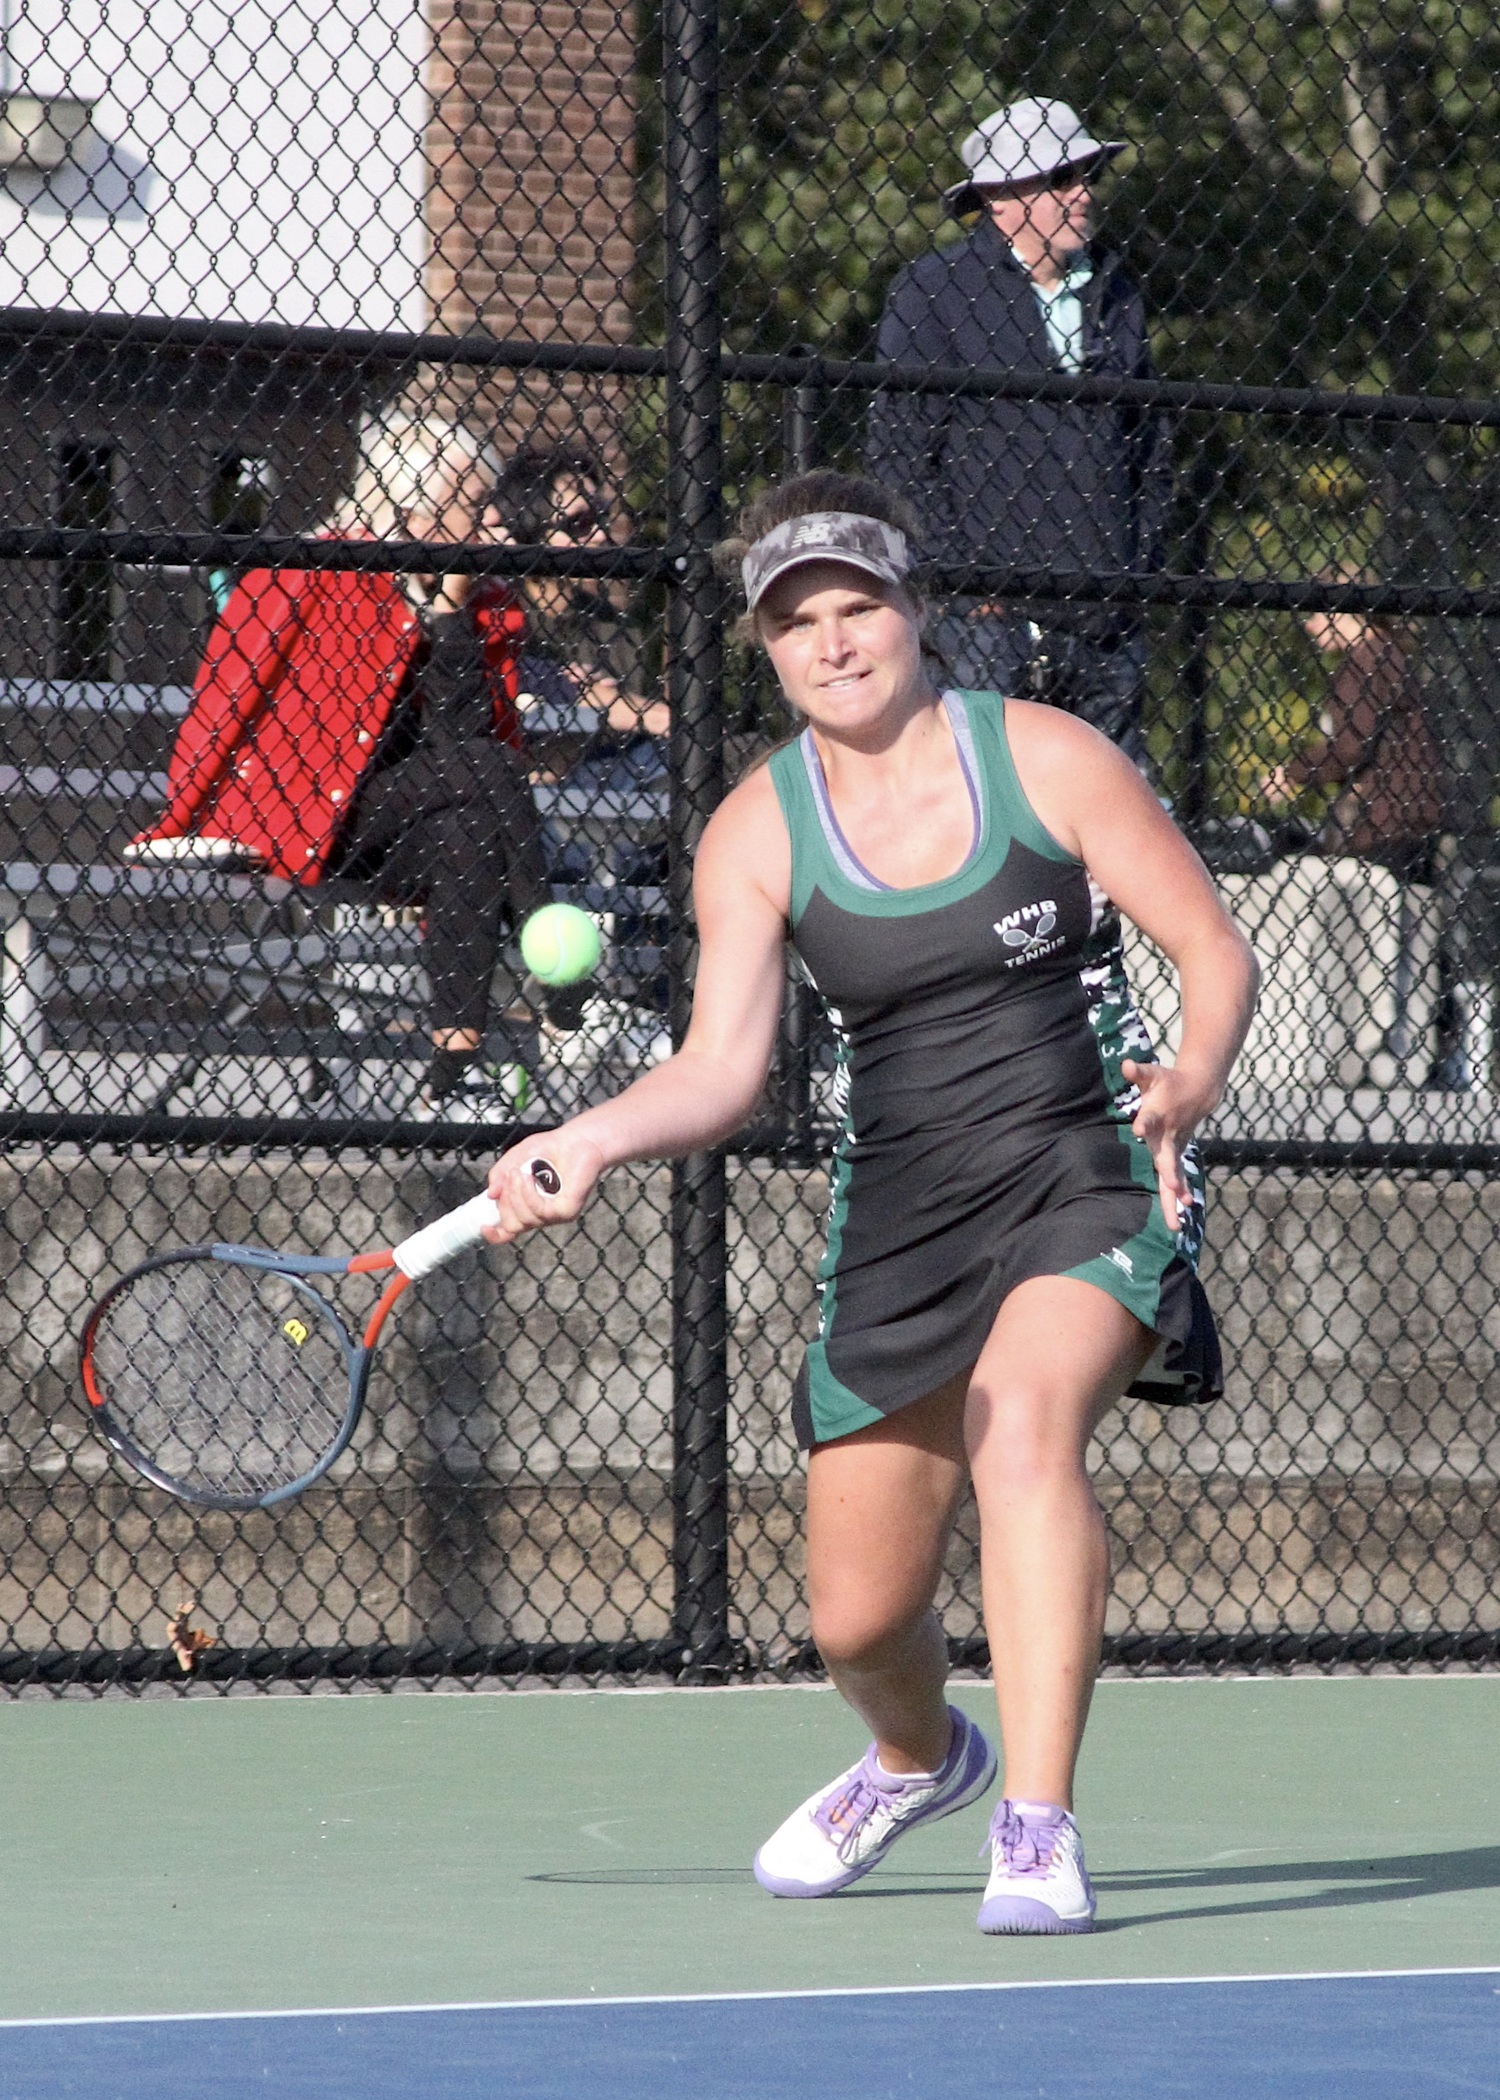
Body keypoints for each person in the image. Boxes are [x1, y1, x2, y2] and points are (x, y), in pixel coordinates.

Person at [483, 472, 1257, 1936]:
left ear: (915, 616)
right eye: (797, 625)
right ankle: (919, 1756)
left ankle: (1036, 1823)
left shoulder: (1048, 757)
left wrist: (1197, 1074)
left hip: (1081, 1165)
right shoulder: (755, 832)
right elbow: (719, 1068)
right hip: (898, 1215)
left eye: (857, 609)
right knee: (854, 1619)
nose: (833, 644)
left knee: (1021, 1426)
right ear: (766, 654)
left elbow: (1211, 946)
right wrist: (589, 1138)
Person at [124, 413, 553, 1109]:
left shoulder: (478, 601)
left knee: (472, 823)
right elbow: (228, 693)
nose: (494, 520)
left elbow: (465, 744)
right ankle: (548, 947)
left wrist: (447, 611)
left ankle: (453, 1077)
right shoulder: (323, 569)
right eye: (474, 504)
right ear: (413, 506)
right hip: (299, 816)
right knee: (494, 774)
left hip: (392, 823)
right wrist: (192, 812)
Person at [865, 97, 1172, 766]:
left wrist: (1135, 578)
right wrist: (965, 590)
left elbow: (1149, 447)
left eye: (1089, 174)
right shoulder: (934, 290)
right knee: (980, 801)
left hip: (1104, 618)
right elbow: (901, 455)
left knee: (1109, 818)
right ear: (1000, 199)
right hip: (987, 623)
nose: (1084, 192)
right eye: (1063, 178)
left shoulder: (1116, 289)